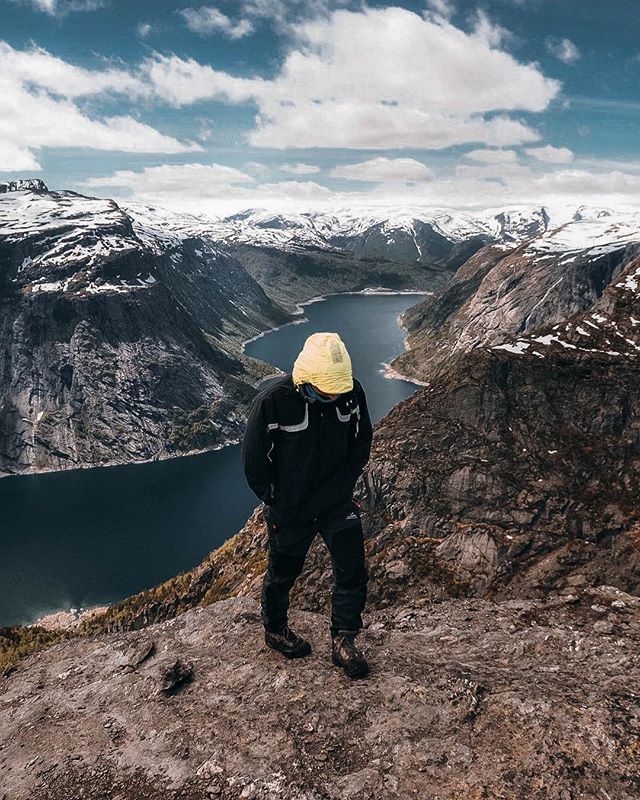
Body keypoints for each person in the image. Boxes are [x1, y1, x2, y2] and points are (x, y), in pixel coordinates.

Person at [241, 331, 374, 679]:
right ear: (306, 379)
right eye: (326, 390)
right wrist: (276, 498)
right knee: (283, 573)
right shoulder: (273, 402)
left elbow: (362, 439)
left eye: (337, 390)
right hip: (291, 509)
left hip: (336, 502)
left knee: (352, 570)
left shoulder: (350, 393)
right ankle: (275, 629)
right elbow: (255, 462)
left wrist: (346, 480)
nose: (333, 396)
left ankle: (343, 641)